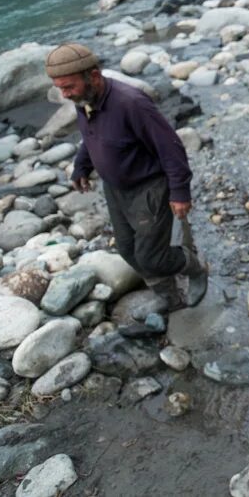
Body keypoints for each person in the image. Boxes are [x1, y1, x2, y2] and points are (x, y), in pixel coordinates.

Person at [45, 42, 208, 311]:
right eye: (60, 87)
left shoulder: (131, 103)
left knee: (152, 258)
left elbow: (171, 147)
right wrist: (81, 166)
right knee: (128, 250)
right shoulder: (84, 98)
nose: (65, 94)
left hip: (149, 188)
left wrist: (179, 192)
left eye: (68, 86)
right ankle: (169, 294)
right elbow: (90, 136)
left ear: (93, 76)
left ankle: (195, 268)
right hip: (115, 188)